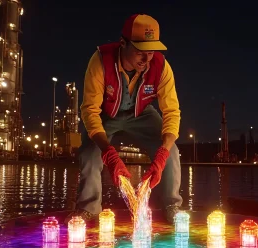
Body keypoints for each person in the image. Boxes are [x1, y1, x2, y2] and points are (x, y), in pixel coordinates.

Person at [65, 14, 182, 224]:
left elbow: (172, 112)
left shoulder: (162, 66)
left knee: (172, 150)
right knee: (90, 153)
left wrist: (162, 153)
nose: (146, 60)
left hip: (141, 114)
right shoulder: (100, 61)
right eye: (140, 52)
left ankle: (171, 205)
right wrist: (108, 152)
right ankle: (89, 209)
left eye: (151, 51)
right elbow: (90, 110)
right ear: (123, 43)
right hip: (106, 114)